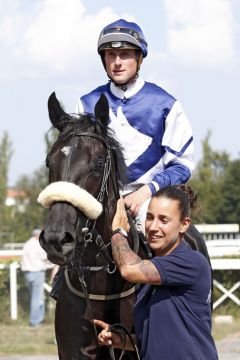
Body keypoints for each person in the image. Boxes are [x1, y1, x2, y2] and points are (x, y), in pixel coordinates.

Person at [75, 19, 194, 229]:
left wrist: (146, 191)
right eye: (110, 55)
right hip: (97, 200)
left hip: (150, 198)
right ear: (104, 59)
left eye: (125, 54)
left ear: (139, 58)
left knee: (153, 230)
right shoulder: (86, 104)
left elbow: (182, 165)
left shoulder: (166, 104)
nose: (117, 62)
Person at [94, 185, 218, 359]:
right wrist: (120, 340)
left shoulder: (192, 263)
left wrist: (118, 232)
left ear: (184, 224)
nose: (153, 227)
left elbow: (128, 269)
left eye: (163, 220)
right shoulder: (149, 282)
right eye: (150, 218)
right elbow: (152, 340)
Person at [21, 229, 52, 327]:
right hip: (37, 272)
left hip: (27, 273)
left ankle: (39, 319)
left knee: (35, 297)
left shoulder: (26, 244)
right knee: (37, 298)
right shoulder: (38, 244)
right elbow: (45, 256)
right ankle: (35, 321)